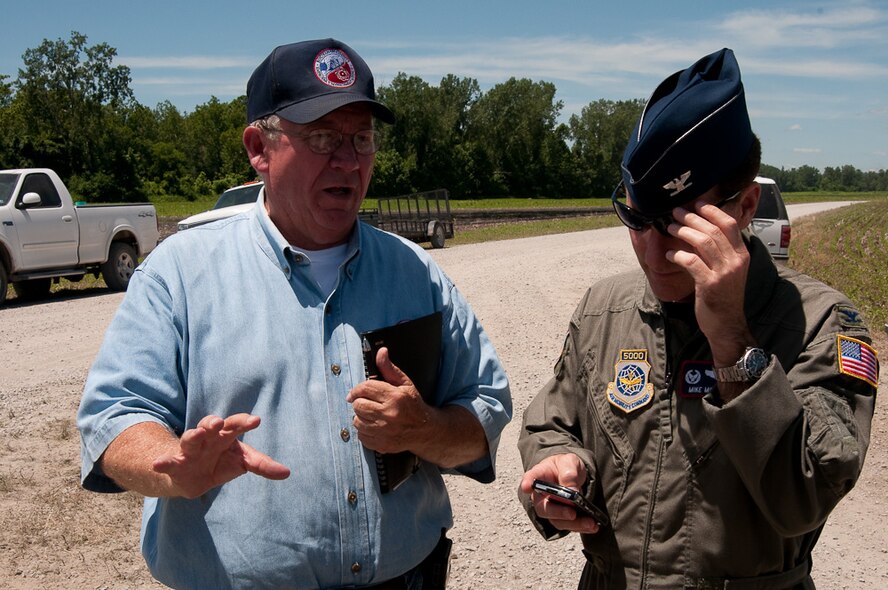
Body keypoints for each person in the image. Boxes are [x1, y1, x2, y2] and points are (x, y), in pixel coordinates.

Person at [77, 38, 512, 590]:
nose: (349, 160)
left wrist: (425, 429)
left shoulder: (414, 273)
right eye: (323, 137)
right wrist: (173, 464)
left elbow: (487, 410)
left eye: (361, 138)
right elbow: (113, 416)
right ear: (259, 148)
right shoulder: (180, 274)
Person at [518, 48, 878, 589]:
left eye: (678, 226)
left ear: (746, 206)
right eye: (636, 219)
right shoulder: (605, 309)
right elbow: (552, 421)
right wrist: (561, 465)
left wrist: (731, 336)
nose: (652, 251)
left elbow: (804, 494)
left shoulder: (823, 321)